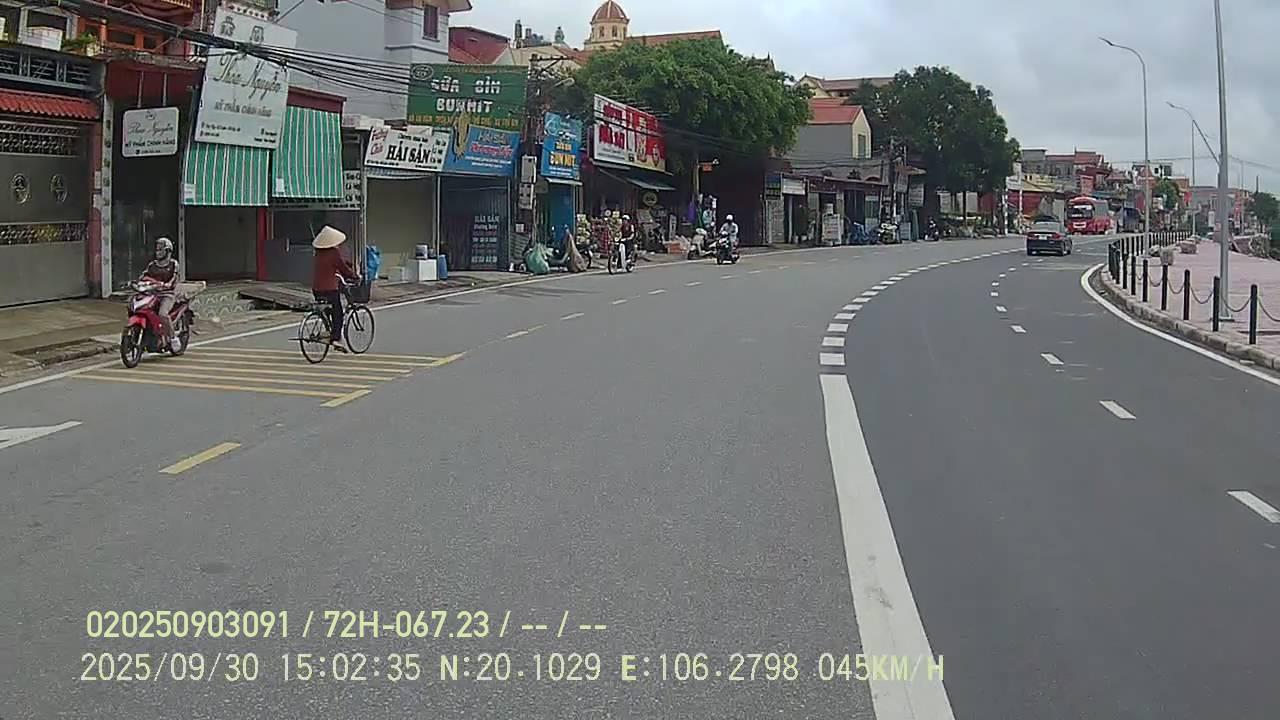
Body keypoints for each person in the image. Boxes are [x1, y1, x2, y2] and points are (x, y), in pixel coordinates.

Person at [311, 226, 359, 351]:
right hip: (330, 289)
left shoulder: (318, 253)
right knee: (338, 314)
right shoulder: (333, 253)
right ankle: (336, 339)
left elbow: (329, 266)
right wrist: (354, 276)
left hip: (316, 289)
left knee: (327, 311)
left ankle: (329, 331)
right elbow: (343, 268)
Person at [139, 237, 179, 349]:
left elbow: (174, 277)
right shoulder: (152, 265)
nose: (158, 252)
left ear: (168, 251)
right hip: (152, 294)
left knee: (162, 314)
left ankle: (173, 338)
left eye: (161, 249)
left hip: (167, 294)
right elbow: (143, 276)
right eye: (157, 249)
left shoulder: (173, 264)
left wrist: (168, 284)